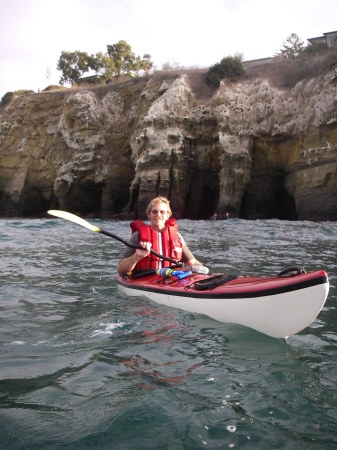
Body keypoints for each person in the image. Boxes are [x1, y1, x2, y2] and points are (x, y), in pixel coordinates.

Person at [117, 196, 203, 275]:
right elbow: (120, 269)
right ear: (149, 215)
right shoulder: (137, 236)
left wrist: (204, 271)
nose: (158, 215)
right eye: (154, 212)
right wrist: (136, 257)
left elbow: (193, 262)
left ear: (168, 215)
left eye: (162, 212)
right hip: (145, 280)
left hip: (172, 280)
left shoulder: (177, 237)